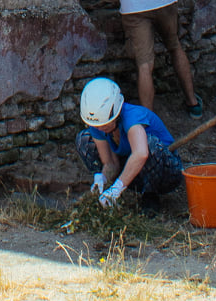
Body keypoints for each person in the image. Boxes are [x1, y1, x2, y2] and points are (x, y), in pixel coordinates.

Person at [74, 76, 185, 209]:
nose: (100, 128)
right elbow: (110, 163)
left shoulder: (132, 117)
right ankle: (106, 194)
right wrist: (103, 178)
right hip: (134, 171)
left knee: (149, 144)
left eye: (105, 124)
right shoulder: (97, 124)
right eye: (97, 125)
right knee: (84, 138)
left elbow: (141, 154)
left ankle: (150, 195)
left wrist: (117, 188)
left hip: (165, 172)